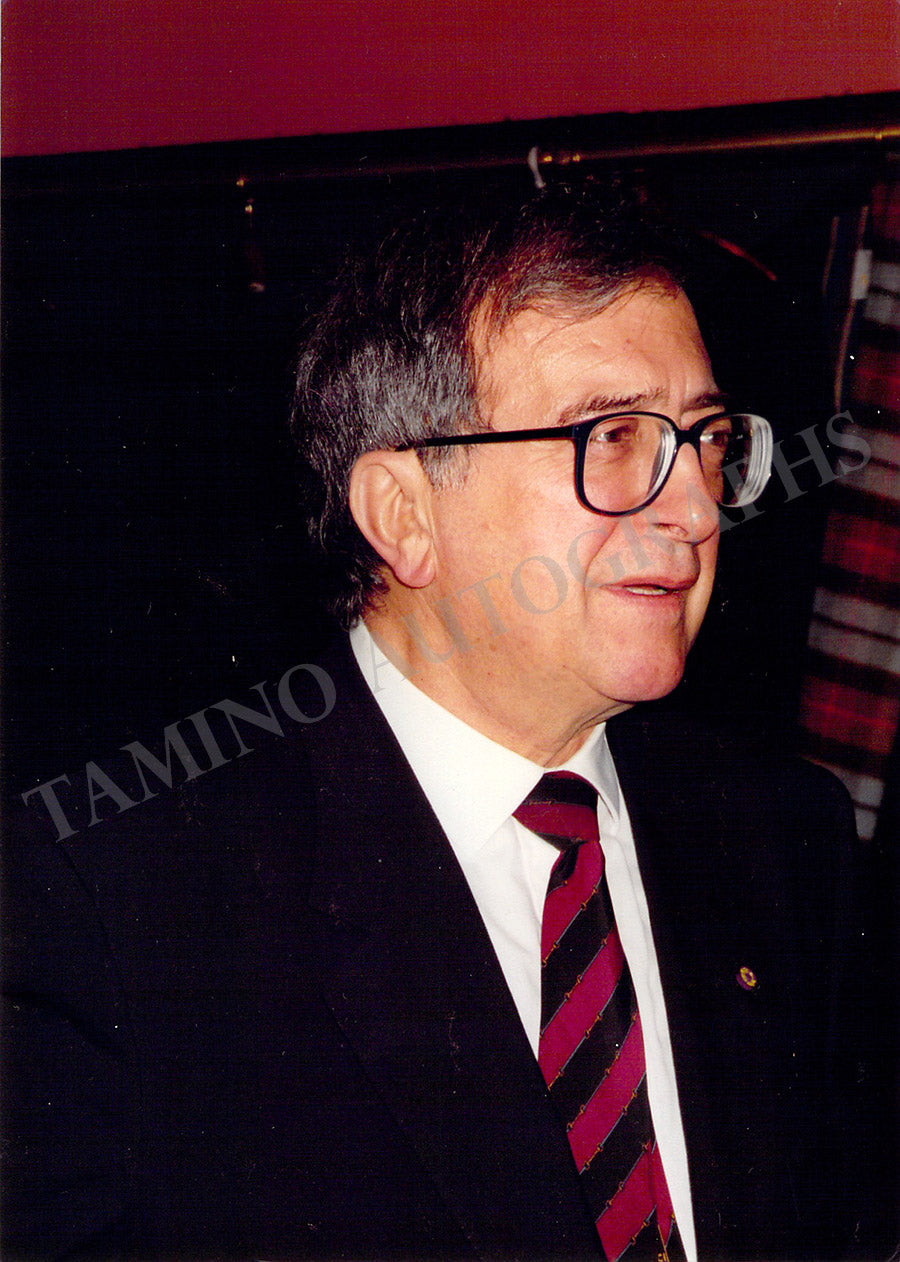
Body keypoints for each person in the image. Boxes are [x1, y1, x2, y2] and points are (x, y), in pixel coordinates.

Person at [2, 186, 892, 1261]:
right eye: (612, 436)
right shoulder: (124, 909)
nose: (699, 508)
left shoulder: (782, 837)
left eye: (705, 439)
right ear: (404, 514)